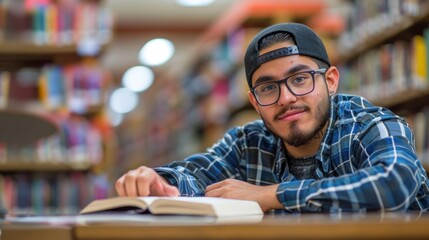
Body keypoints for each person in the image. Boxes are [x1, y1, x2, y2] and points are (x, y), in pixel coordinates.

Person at [115, 22, 429, 213]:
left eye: (300, 78)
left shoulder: (370, 125)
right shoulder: (247, 143)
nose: (287, 98)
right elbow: (196, 176)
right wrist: (162, 183)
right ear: (254, 101)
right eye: (268, 88)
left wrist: (270, 195)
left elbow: (395, 181)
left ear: (330, 80)